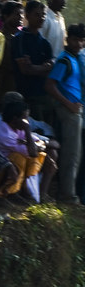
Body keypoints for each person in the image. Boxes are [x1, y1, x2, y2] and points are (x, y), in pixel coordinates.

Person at [44, 22, 83, 204]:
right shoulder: (65, 60)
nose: (79, 44)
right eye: (75, 39)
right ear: (68, 39)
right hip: (68, 111)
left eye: (82, 40)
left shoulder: (76, 58)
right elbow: (50, 85)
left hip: (75, 110)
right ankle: (67, 194)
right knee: (71, 154)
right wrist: (68, 104)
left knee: (76, 154)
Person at [12, 1, 55, 125]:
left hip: (44, 96)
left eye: (43, 15)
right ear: (27, 15)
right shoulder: (19, 39)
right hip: (27, 96)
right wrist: (44, 67)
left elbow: (50, 70)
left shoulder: (45, 43)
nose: (41, 18)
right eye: (37, 14)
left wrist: (36, 68)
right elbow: (25, 70)